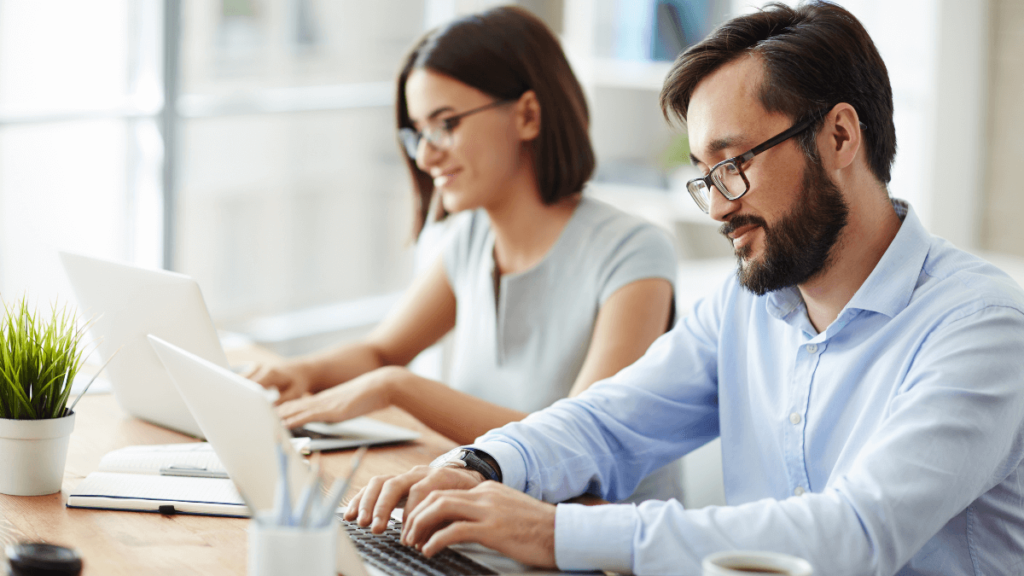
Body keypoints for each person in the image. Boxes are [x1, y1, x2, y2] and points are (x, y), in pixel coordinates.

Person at [342, 2, 1024, 575]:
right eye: (705, 175)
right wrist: (480, 465)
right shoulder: (746, 304)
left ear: (840, 136)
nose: (720, 206)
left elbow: (852, 535)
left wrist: (551, 533)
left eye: (733, 164)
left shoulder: (982, 328)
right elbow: (607, 420)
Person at [246, 6, 684, 503]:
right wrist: (299, 373)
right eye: (417, 132)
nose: (426, 155)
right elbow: (383, 351)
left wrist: (398, 387)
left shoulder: (634, 252)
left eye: (445, 124)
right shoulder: (472, 238)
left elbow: (579, 442)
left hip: (590, 547)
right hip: (486, 521)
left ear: (527, 115)